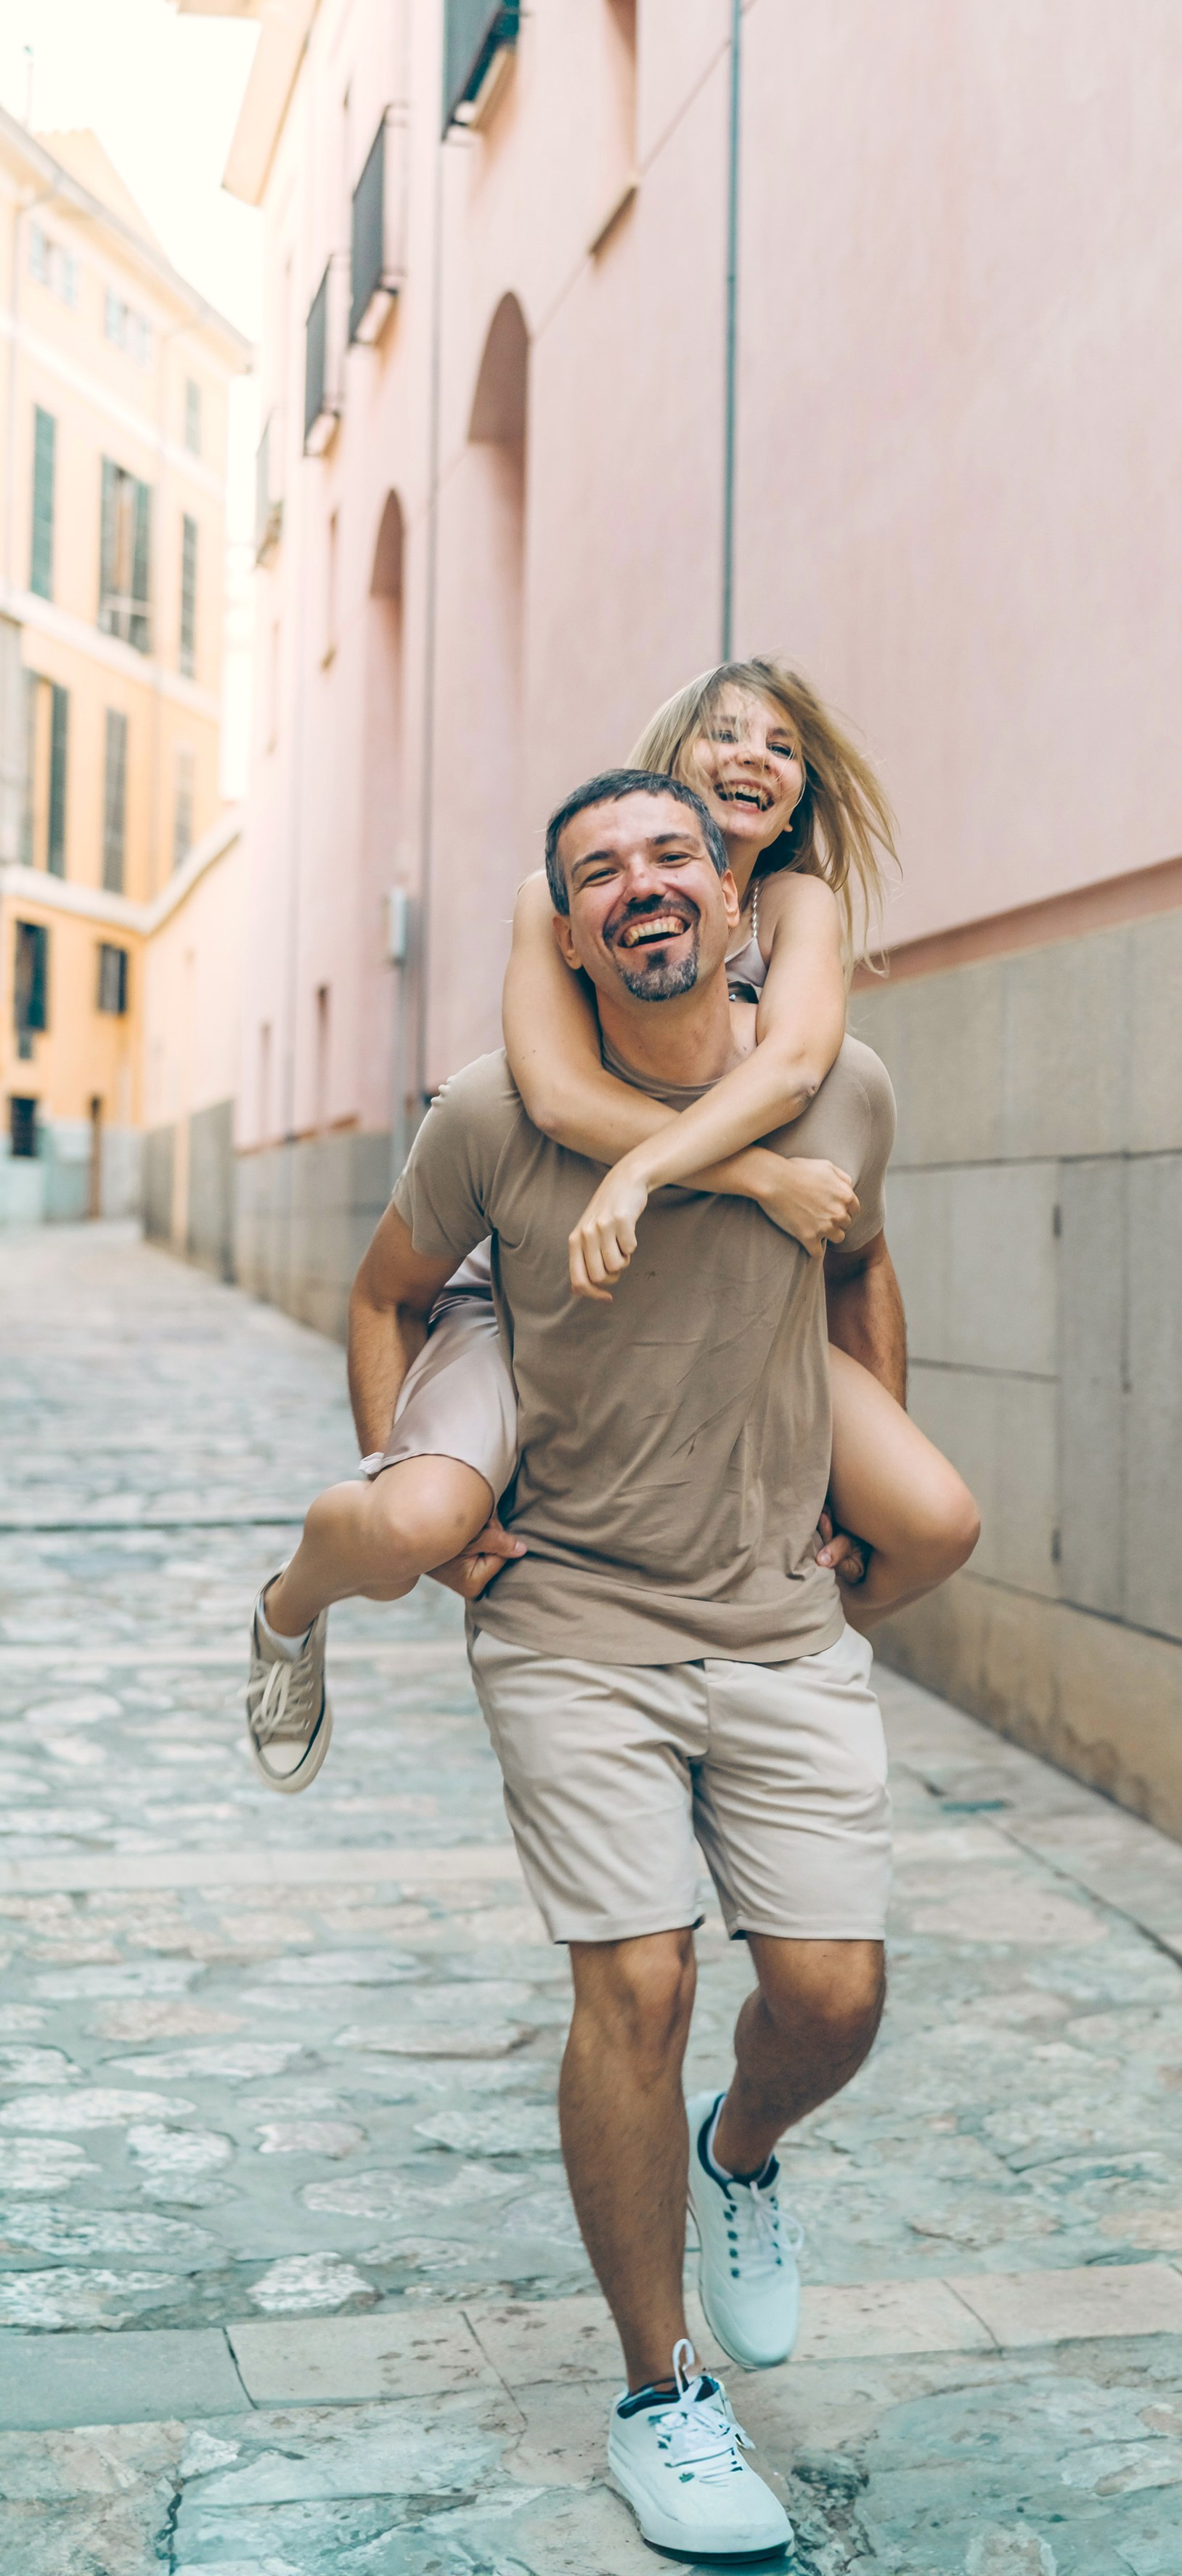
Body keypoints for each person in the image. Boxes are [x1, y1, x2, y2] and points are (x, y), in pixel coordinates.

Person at [309, 766, 961, 2558]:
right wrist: (425, 1509)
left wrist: (864, 1459)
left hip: (769, 1611)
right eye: (598, 872)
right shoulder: (489, 1117)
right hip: (574, 1622)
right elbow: (380, 1293)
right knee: (642, 1986)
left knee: (830, 2000)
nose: (640, 887)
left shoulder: (846, 1089)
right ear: (569, 929)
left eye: (671, 854)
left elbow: (861, 1268)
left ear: (733, 899)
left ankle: (737, 2157)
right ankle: (659, 2395)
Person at [244, 658, 975, 1788]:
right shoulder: (568, 893)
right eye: (724, 735)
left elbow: (793, 1068)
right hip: (546, 1289)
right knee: (412, 1524)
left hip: (731, 1310)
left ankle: (773, 1687)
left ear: (800, 794)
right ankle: (289, 1610)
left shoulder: (796, 906)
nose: (752, 758)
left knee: (934, 1523)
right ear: (666, 762)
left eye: (780, 747)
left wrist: (831, 1493)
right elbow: (556, 1095)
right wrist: (746, 1179)